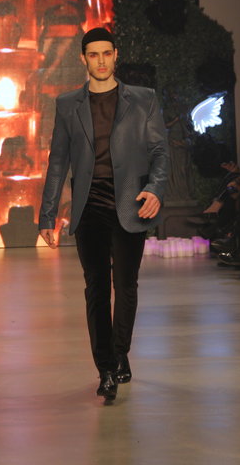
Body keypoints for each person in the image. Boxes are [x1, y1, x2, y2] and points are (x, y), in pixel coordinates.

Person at [39, 27, 169, 401]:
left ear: (115, 55)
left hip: (130, 203)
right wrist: (48, 215)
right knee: (96, 287)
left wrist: (155, 188)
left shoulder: (143, 99)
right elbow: (58, 161)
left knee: (125, 285)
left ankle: (120, 352)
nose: (100, 61)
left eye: (106, 53)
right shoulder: (68, 104)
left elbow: (160, 151)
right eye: (93, 54)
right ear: (83, 59)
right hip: (89, 205)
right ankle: (106, 367)